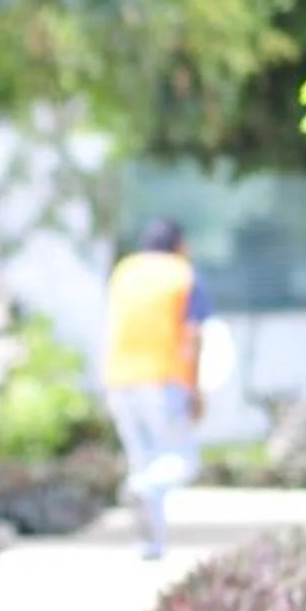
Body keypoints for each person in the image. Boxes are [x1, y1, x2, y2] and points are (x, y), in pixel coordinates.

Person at [102, 218, 209, 558]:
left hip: (119, 379)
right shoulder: (184, 274)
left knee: (143, 460)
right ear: (179, 245)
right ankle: (142, 488)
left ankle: (151, 544)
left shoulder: (124, 272)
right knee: (180, 461)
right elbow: (193, 337)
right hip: (163, 379)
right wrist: (194, 389)